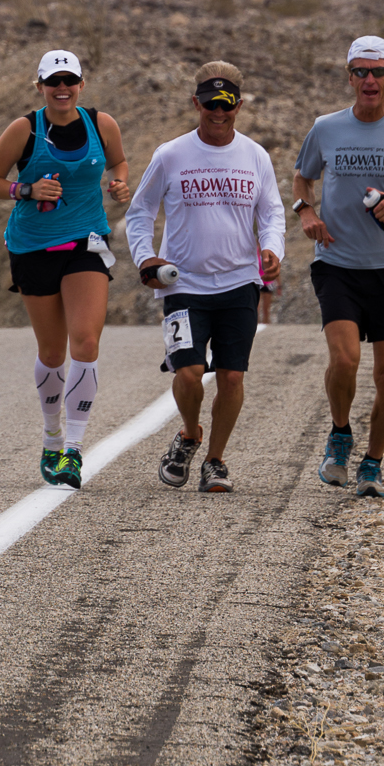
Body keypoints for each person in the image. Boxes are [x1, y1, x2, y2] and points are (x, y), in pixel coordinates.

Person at [292, 34, 384, 500]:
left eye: (378, 71)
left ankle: (373, 463)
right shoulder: (326, 128)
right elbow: (303, 176)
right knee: (344, 358)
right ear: (350, 77)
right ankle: (340, 434)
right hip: (337, 264)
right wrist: (306, 213)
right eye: (360, 71)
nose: (369, 80)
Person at [125, 62, 284, 494]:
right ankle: (190, 432)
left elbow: (271, 212)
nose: (219, 112)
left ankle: (214, 460)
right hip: (183, 285)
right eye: (210, 104)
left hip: (239, 283)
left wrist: (273, 250)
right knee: (190, 372)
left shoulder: (255, 155)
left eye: (227, 104)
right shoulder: (171, 154)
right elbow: (139, 214)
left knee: (232, 377)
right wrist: (146, 260)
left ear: (239, 104)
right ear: (196, 103)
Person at [0, 48, 129, 489]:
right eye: (53, 82)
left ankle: (74, 452)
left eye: (70, 81)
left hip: (86, 241)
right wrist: (24, 188)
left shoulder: (102, 124)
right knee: (51, 352)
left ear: (81, 84)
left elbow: (118, 161)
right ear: (40, 86)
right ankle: (51, 437)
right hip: (33, 246)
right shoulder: (24, 129)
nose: (61, 89)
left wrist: (119, 181)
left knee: (85, 340)